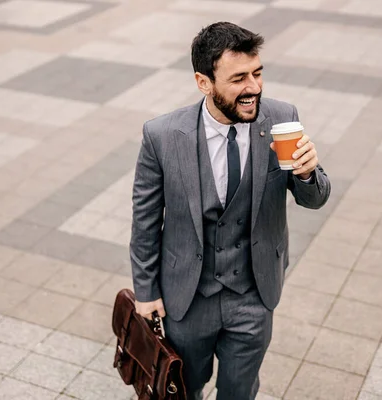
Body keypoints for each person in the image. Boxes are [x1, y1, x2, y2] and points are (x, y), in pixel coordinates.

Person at [129, 21, 331, 400]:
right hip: (187, 298)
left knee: (240, 392)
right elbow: (145, 220)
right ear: (204, 82)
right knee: (183, 389)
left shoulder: (280, 118)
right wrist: (146, 290)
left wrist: (308, 173)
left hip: (254, 295)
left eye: (257, 74)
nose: (253, 87)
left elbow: (314, 199)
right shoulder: (161, 136)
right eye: (238, 78)